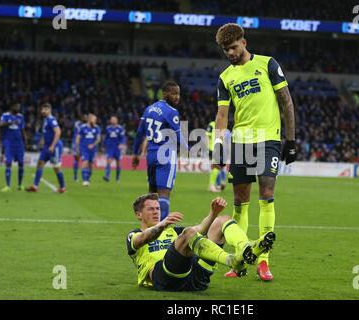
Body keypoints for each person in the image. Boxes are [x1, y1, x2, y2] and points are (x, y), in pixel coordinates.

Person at [213, 23, 297, 281]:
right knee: (240, 201)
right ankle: (240, 258)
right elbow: (223, 114)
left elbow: (286, 101)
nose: (230, 52)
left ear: (244, 42)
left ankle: (263, 260)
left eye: (233, 47)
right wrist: (218, 147)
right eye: (226, 49)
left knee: (267, 194)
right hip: (241, 143)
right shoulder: (226, 77)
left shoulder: (268, 64)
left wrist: (291, 140)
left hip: (268, 140)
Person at [126, 193, 276, 291]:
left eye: (157, 208)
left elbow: (201, 229)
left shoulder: (172, 232)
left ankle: (244, 249)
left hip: (195, 279)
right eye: (151, 209)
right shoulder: (134, 235)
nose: (156, 212)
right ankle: (231, 260)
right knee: (189, 233)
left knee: (222, 220)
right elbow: (144, 239)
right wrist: (162, 225)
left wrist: (213, 213)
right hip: (166, 279)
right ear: (139, 214)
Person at [132, 81, 189, 221]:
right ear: (165, 93)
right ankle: (160, 231)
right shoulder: (171, 111)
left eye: (178, 94)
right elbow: (177, 135)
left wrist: (135, 153)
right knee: (164, 194)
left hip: (151, 155)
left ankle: (149, 228)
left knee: (152, 194)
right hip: (166, 154)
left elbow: (139, 134)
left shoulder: (148, 109)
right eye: (174, 93)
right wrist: (188, 150)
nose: (177, 97)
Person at [26, 103, 66, 193]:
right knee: (40, 163)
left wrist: (52, 145)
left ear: (50, 110)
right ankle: (35, 186)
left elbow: (58, 132)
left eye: (46, 109)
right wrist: (43, 139)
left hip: (54, 146)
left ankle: (63, 188)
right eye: (43, 109)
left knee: (56, 167)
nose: (44, 111)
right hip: (46, 146)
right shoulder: (46, 120)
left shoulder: (52, 120)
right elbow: (48, 132)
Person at [0, 102, 27, 192]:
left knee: (21, 163)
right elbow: (1, 124)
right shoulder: (5, 115)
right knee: (8, 163)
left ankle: (20, 185)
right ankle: (7, 185)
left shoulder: (21, 117)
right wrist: (12, 123)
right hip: (9, 142)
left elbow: (23, 130)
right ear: (11, 107)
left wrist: (25, 142)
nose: (18, 107)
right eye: (16, 106)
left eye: (19, 106)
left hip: (19, 143)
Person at [76, 113, 101, 187]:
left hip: (93, 150)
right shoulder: (82, 127)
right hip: (84, 149)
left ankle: (87, 177)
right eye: (94, 119)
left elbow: (98, 139)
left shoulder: (96, 128)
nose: (95, 121)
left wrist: (93, 145)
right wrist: (77, 149)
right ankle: (85, 180)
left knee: (90, 165)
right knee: (84, 163)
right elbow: (77, 139)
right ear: (89, 119)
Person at [206, 121, 230, 192]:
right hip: (213, 149)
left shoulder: (223, 128)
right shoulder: (212, 125)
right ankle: (212, 185)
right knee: (217, 167)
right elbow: (207, 136)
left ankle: (213, 184)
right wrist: (207, 148)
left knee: (218, 167)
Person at [102, 115, 126, 182]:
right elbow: (105, 138)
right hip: (110, 148)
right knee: (108, 161)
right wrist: (103, 146)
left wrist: (121, 144)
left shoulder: (120, 128)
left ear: (117, 120)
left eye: (114, 119)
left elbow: (123, 138)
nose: (113, 121)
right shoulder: (108, 128)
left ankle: (117, 178)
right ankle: (107, 176)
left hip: (117, 148)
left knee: (118, 163)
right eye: (112, 119)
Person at [72, 114, 88, 182]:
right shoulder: (77, 123)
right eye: (84, 117)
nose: (86, 118)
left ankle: (85, 176)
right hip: (76, 143)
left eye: (86, 117)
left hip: (84, 143)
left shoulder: (86, 125)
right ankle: (75, 176)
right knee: (76, 158)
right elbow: (79, 129)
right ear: (81, 118)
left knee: (85, 160)